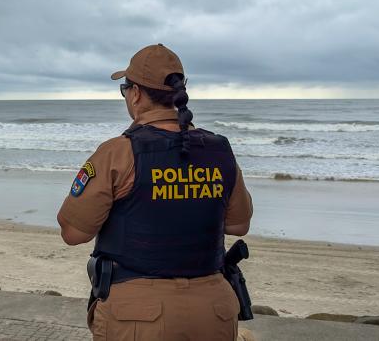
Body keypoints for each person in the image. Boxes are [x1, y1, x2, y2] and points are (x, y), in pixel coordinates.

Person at [57, 44, 254, 341]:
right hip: (213, 310)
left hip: (137, 314)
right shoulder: (219, 149)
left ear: (135, 94)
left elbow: (73, 233)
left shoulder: (118, 152)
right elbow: (239, 224)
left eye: (124, 89)